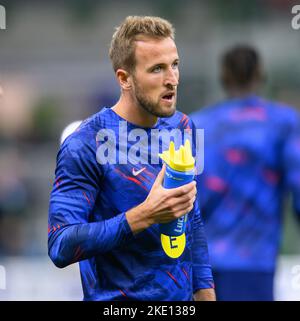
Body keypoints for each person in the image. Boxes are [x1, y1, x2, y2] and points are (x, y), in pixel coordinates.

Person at [48, 16, 215, 301]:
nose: (172, 79)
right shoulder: (86, 143)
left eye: (175, 65)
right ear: (124, 79)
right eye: (157, 69)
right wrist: (145, 215)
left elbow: (192, 222)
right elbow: (60, 245)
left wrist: (206, 294)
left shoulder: (182, 128)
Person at [190, 45, 300, 301]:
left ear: (223, 78)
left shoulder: (197, 125)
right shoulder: (282, 123)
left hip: (203, 268)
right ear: (260, 75)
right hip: (256, 262)